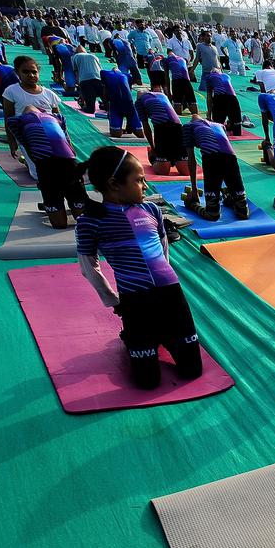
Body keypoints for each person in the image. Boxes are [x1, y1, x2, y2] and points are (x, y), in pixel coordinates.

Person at [75, 146, 203, 390]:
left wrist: (166, 280)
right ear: (114, 184)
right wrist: (113, 300)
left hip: (172, 295)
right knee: (147, 382)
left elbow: (164, 250)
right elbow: (88, 266)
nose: (145, 186)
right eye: (139, 180)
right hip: (135, 300)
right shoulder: (91, 221)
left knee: (192, 371)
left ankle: (163, 334)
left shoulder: (151, 210)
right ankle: (136, 337)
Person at [6, 106, 88, 228]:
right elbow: (67, 142)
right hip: (67, 162)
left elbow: (27, 146)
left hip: (47, 165)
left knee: (59, 224)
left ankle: (54, 204)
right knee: (83, 220)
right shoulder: (57, 117)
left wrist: (38, 171)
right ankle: (69, 202)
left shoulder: (16, 121)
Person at [183, 115, 247, 222]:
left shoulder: (188, 126)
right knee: (243, 213)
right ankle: (232, 196)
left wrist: (194, 191)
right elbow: (223, 146)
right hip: (231, 159)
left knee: (212, 215)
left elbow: (192, 161)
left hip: (212, 159)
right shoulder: (219, 125)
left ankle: (193, 204)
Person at [1, 56, 63, 160]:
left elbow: (59, 120)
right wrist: (12, 142)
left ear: (38, 73)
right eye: (25, 72)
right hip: (27, 136)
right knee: (37, 172)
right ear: (17, 73)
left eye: (34, 72)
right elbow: (8, 119)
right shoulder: (11, 91)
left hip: (50, 135)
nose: (31, 75)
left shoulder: (49, 94)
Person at [137, 85, 188, 176]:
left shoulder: (139, 101)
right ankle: (167, 158)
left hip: (168, 128)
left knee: (177, 172)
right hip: (171, 127)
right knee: (172, 172)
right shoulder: (162, 96)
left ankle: (158, 158)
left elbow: (146, 127)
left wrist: (153, 147)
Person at [101, 66, 144, 139]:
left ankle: (125, 127)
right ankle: (130, 126)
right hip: (128, 105)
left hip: (116, 106)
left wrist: (106, 105)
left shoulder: (105, 73)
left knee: (116, 134)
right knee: (140, 135)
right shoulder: (127, 76)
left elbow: (104, 91)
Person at [203, 69, 241, 135]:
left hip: (219, 99)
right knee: (237, 129)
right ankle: (233, 126)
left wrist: (209, 115)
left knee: (218, 127)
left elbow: (209, 97)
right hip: (233, 99)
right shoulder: (226, 76)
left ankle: (226, 126)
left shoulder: (209, 77)